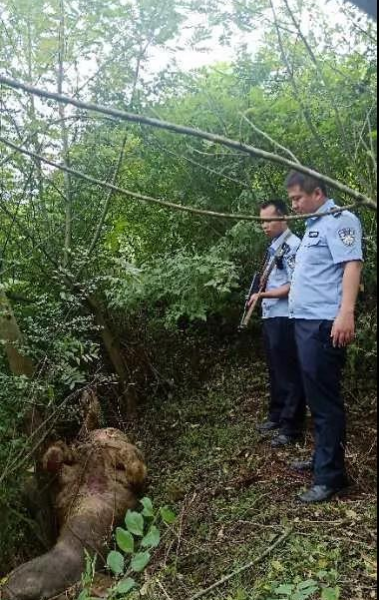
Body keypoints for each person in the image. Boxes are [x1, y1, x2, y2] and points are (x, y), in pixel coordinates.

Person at [286, 171, 363, 504]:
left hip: (322, 324)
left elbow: (352, 265)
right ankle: (323, 460)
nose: (294, 205)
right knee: (316, 400)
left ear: (317, 193)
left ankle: (331, 477)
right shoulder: (313, 226)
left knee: (326, 403)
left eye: (297, 198)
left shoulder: (340, 220)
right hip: (305, 322)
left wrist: (346, 312)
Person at [251, 200, 306, 448]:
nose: (264, 225)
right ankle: (276, 415)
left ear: (283, 218)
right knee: (275, 370)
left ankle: (291, 426)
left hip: (285, 315)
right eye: (261, 221)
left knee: (289, 373)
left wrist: (263, 296)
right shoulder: (273, 247)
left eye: (269, 220)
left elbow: (295, 284)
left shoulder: (294, 245)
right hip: (270, 314)